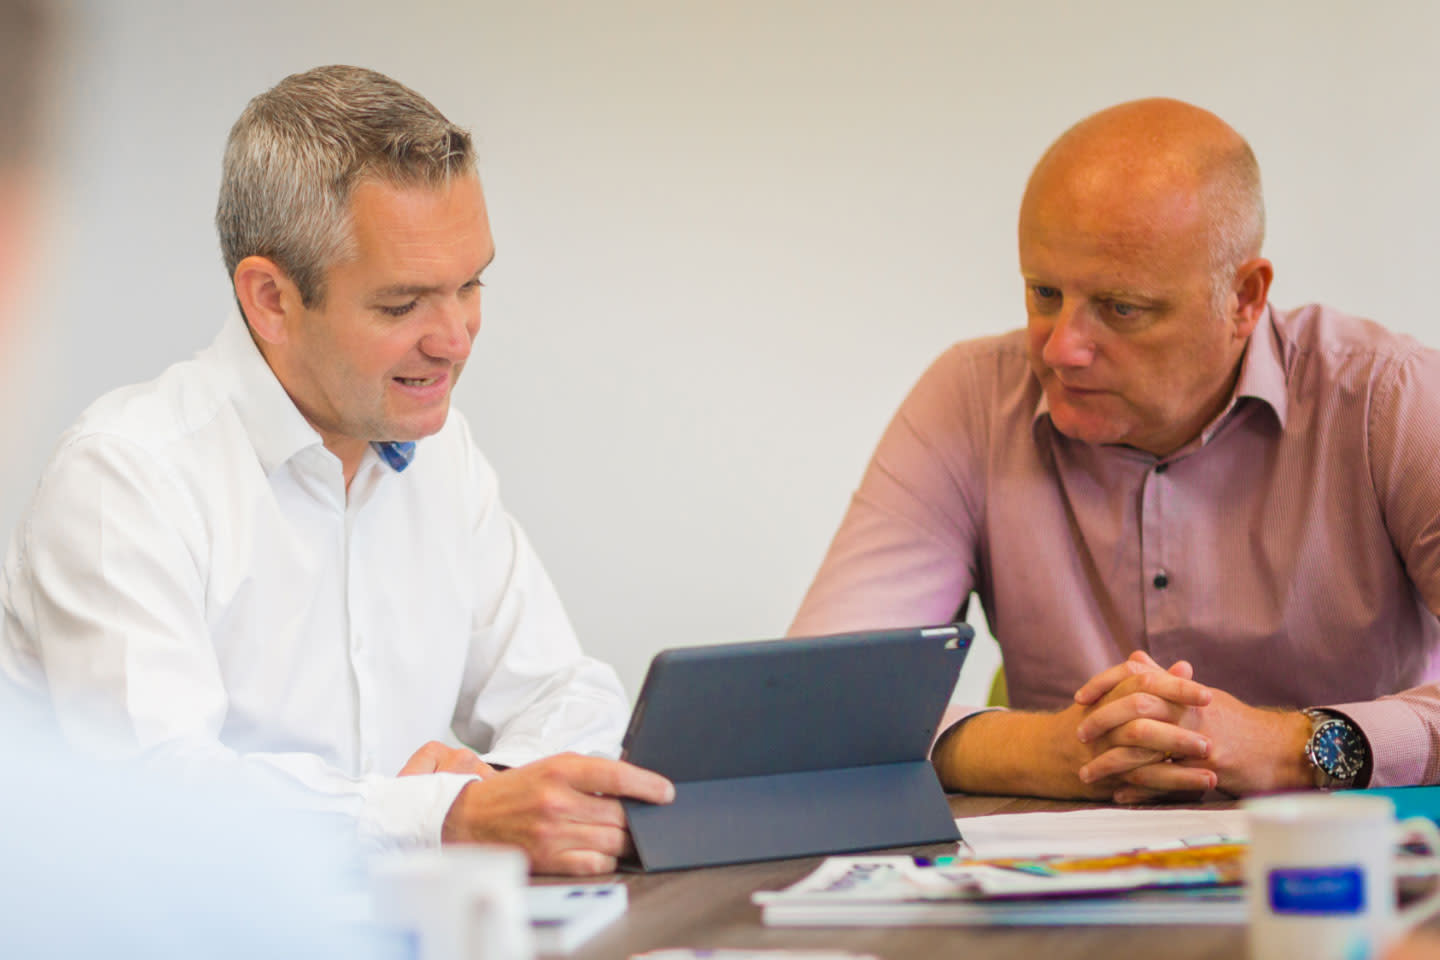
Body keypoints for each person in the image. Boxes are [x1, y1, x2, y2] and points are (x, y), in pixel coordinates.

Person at [0, 64, 671, 875]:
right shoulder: (125, 477)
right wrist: (441, 818)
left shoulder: (441, 452)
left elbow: (566, 694)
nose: (455, 338)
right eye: (402, 304)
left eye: (471, 285)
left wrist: (494, 790)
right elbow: (164, 798)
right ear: (271, 299)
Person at [790, 97, 1440, 804]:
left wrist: (1299, 746)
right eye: (1043, 293)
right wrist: (1047, 751)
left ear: (1244, 299)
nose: (1063, 347)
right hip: (1054, 887)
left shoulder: (1390, 398)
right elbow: (817, 702)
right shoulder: (971, 399)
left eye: (1122, 308)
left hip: (1354, 878)